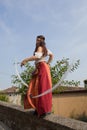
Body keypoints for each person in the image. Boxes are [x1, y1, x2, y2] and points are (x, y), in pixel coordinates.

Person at [21, 35, 53, 118]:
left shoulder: (40, 47)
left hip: (43, 68)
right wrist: (48, 63)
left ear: (42, 40)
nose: (37, 41)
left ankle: (43, 110)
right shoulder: (45, 49)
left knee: (41, 88)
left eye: (39, 40)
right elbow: (51, 55)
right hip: (41, 68)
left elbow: (37, 57)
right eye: (36, 40)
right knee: (37, 88)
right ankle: (40, 109)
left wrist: (25, 60)